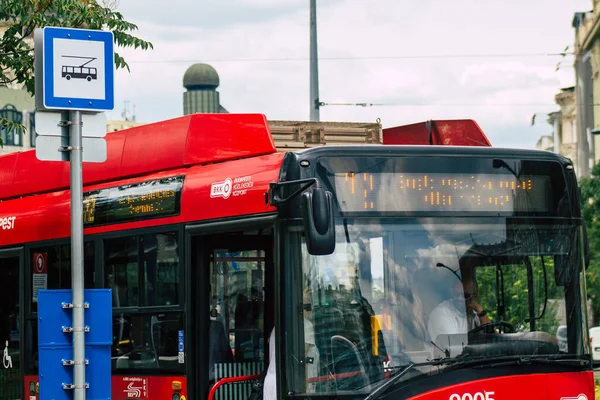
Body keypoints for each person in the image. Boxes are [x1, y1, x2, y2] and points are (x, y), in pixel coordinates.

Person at [427, 275, 490, 343]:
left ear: (475, 296)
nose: (459, 298)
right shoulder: (441, 313)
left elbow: (493, 338)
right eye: (457, 294)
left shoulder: (475, 313)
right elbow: (452, 346)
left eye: (465, 295)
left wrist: (480, 311)